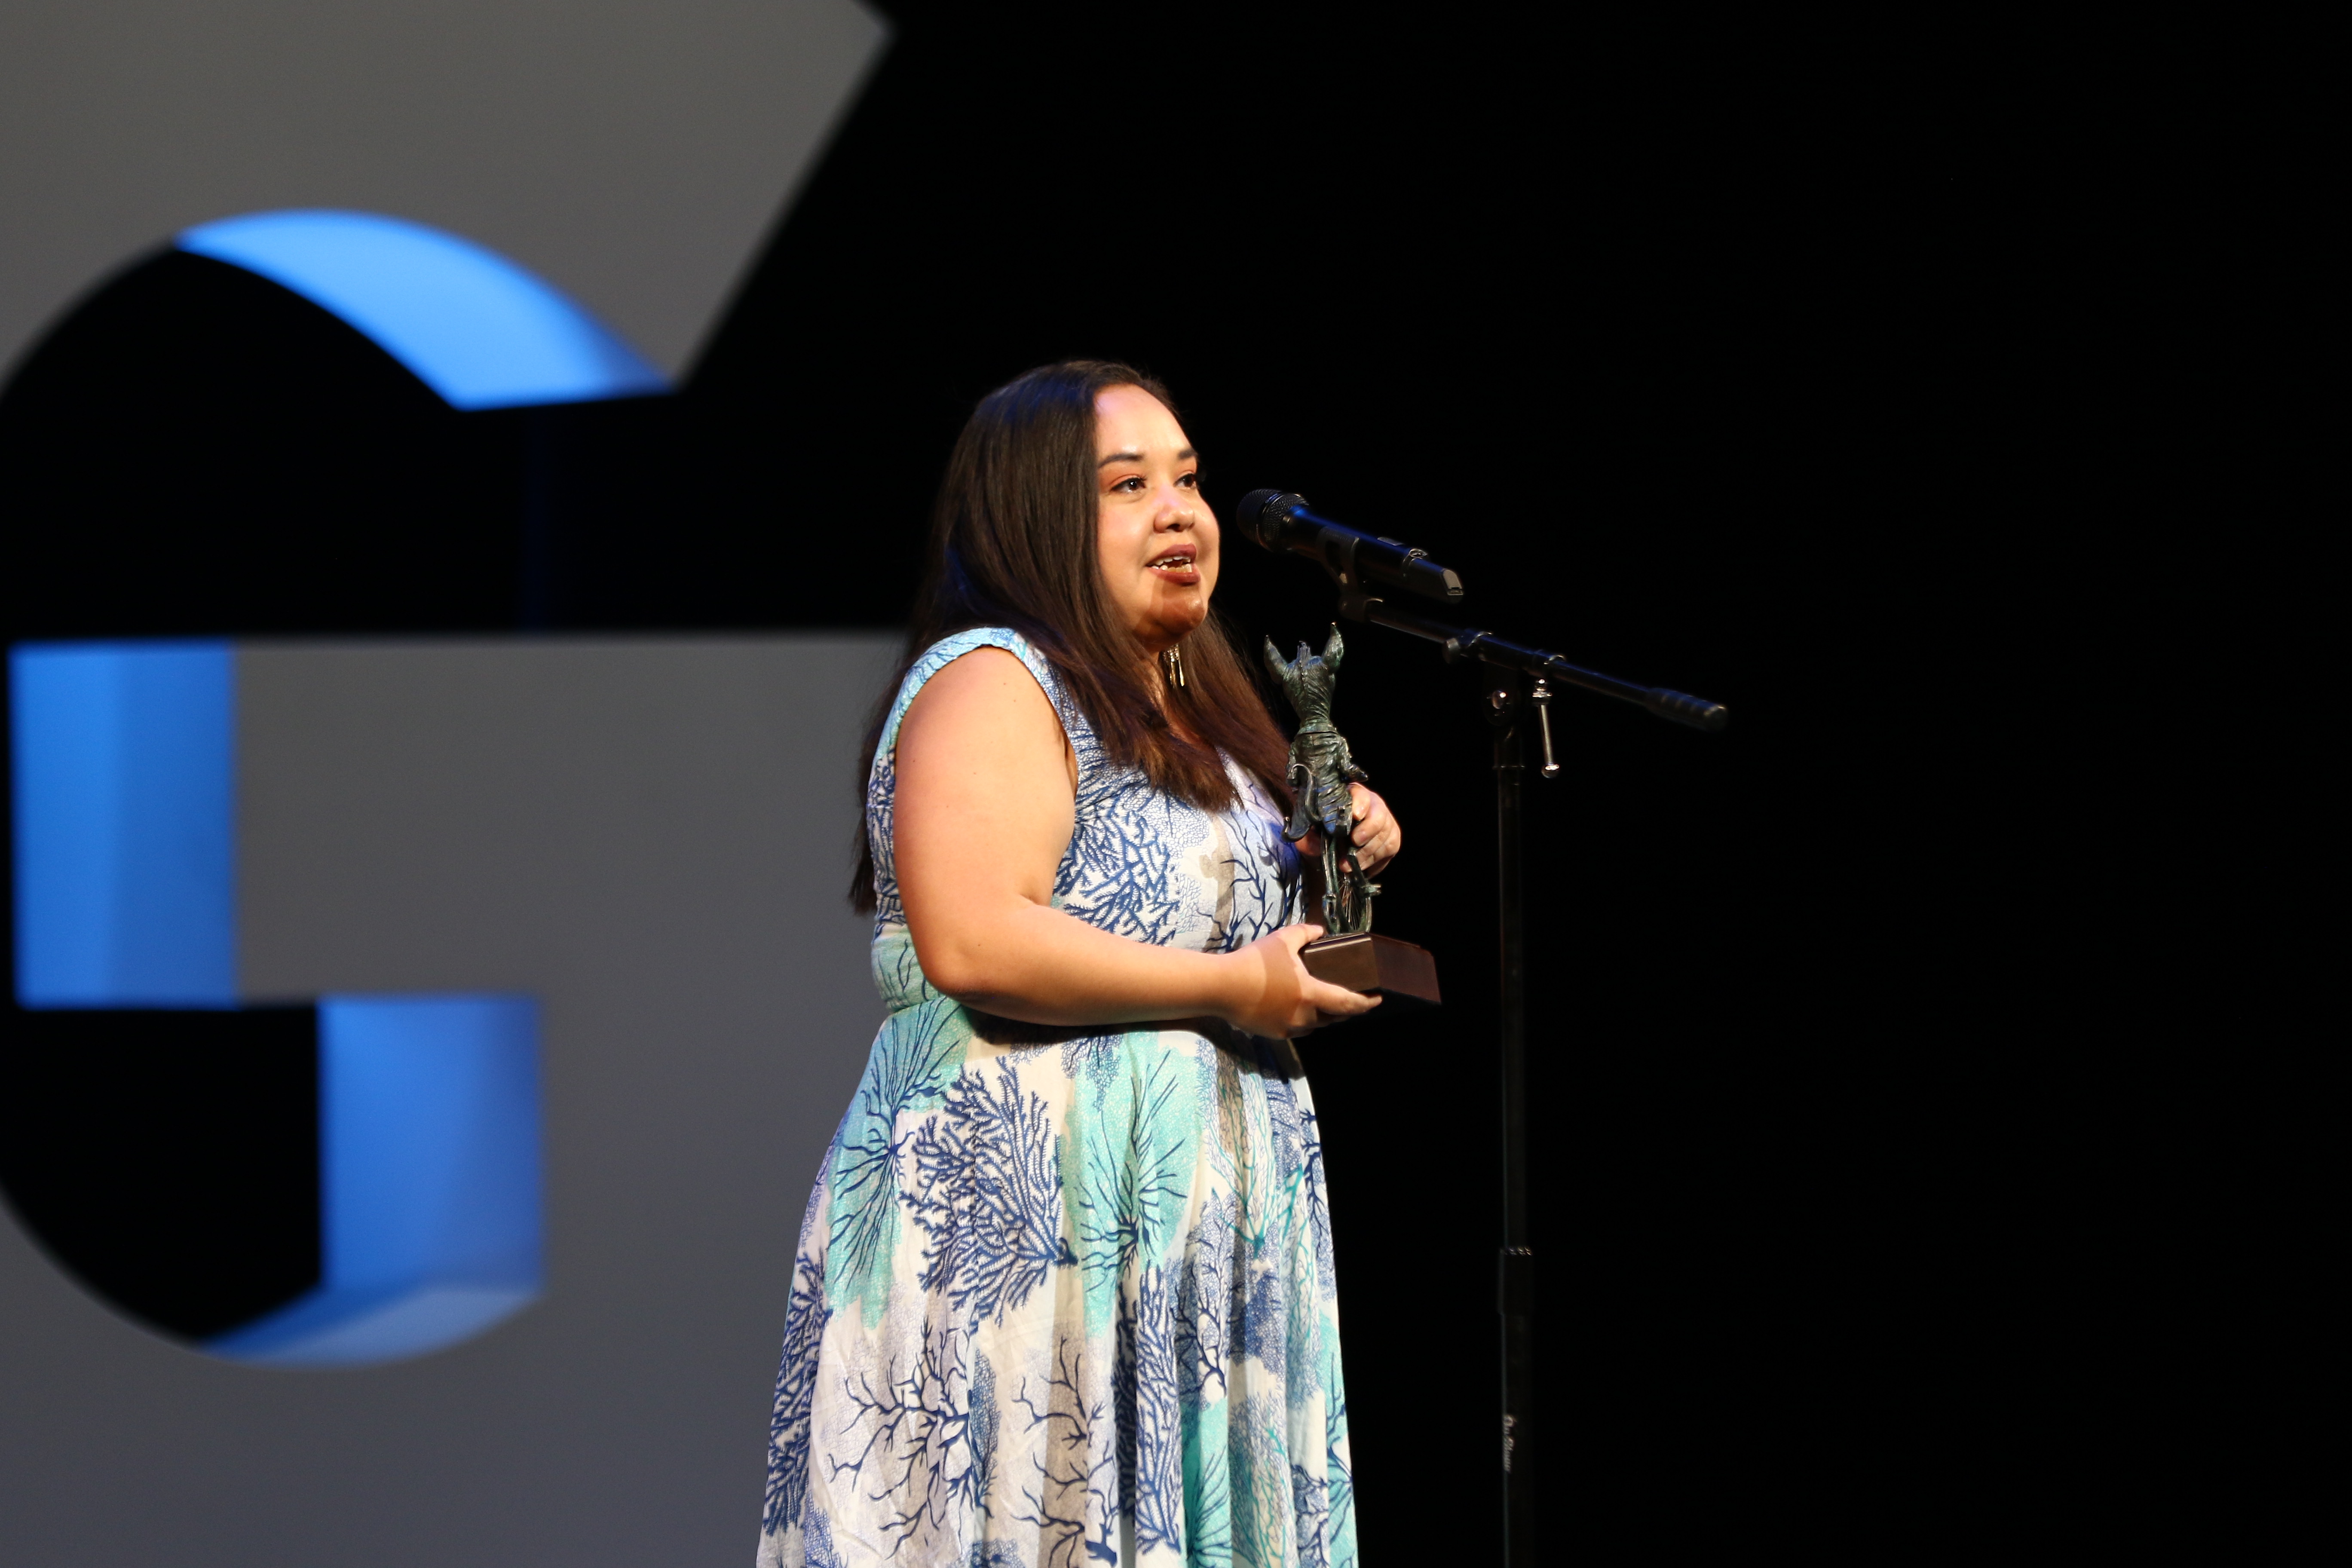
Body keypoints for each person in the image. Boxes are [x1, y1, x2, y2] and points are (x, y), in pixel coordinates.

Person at [757, 361, 1400, 1568]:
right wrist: (1236, 988)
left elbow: (1202, 912)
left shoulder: (1202, 709)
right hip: (1036, 1237)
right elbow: (975, 939)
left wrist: (1339, 843)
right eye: (1128, 485)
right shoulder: (996, 678)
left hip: (1193, 1246)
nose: (1180, 511)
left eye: (1188, 480)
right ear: (1036, 518)